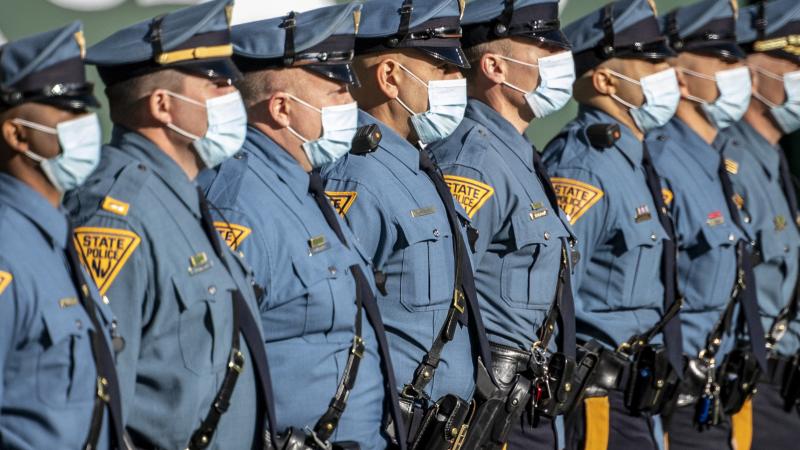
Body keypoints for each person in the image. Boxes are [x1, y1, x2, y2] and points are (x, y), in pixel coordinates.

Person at [64, 1, 275, 448]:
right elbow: (99, 400)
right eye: (218, 85)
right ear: (163, 105)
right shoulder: (116, 212)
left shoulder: (182, 193)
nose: (234, 99)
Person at [197, 3, 405, 449]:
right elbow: (215, 366)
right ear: (282, 109)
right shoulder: (238, 204)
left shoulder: (303, 184)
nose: (352, 104)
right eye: (337, 94)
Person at [320, 0, 495, 447]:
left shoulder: (416, 163)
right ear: (390, 76)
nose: (459, 80)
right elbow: (340, 325)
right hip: (393, 428)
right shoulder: (357, 175)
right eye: (442, 68)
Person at [427, 0, 577, 447]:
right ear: (494, 66)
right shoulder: (471, 160)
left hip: (527, 402)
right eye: (543, 49)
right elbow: (444, 298)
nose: (559, 64)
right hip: (487, 407)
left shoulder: (515, 153)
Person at [542, 0, 685, 449]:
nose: (668, 73)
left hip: (639, 392)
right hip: (597, 400)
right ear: (605, 79)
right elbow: (555, 297)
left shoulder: (632, 159)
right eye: (650, 61)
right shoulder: (585, 166)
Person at [646, 1, 768, 448]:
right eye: (721, 60)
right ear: (680, 76)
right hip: (673, 394)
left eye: (737, 58)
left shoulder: (717, 158)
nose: (737, 72)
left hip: (721, 388)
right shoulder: (661, 160)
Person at [0, 21, 124, 450]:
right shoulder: (6, 247)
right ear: (16, 134)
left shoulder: (53, 231)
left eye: (86, 108)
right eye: (69, 112)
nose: (86, 124)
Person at [717, 1, 800, 447]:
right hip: (747, 388)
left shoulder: (771, 161)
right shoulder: (730, 162)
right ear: (748, 73)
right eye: (793, 62)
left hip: (781, 389)